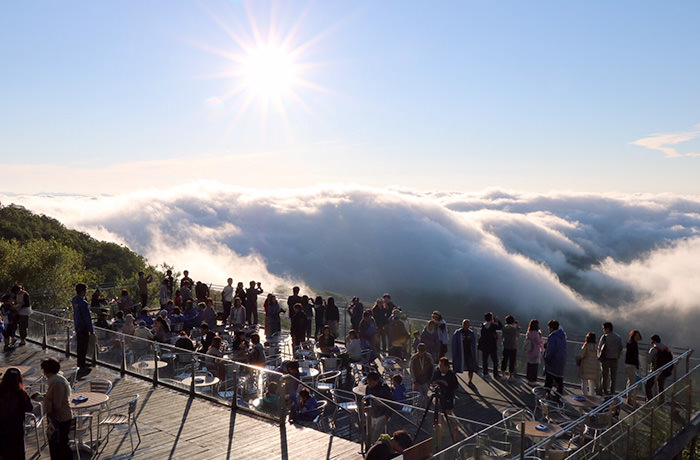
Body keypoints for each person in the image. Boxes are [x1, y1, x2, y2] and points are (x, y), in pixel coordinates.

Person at [38, 358, 73, 459]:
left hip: (61, 418)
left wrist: (43, 398)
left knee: (61, 445)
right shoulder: (55, 381)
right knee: (56, 444)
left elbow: (57, 404)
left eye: (44, 370)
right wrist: (44, 396)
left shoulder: (57, 384)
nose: (44, 373)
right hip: (57, 418)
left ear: (48, 371)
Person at [0, 367, 33, 460]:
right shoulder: (21, 393)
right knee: (17, 452)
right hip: (16, 428)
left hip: (2, 428)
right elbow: (29, 408)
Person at [431, 357, 459, 440]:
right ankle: (442, 431)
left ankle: (455, 429)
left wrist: (446, 385)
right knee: (440, 415)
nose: (440, 368)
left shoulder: (451, 375)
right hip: (439, 397)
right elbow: (433, 381)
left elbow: (455, 386)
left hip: (448, 398)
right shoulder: (437, 372)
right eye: (439, 365)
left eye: (442, 366)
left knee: (449, 415)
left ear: (447, 367)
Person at [364, 371, 393, 444]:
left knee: (376, 433)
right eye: (368, 382)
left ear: (376, 381)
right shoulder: (368, 388)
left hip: (382, 414)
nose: (369, 384)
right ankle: (369, 445)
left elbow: (390, 402)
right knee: (368, 431)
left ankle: (373, 445)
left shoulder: (384, 388)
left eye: (370, 382)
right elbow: (367, 401)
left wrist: (386, 415)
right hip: (372, 413)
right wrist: (366, 407)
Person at [72, 283, 94, 372]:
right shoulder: (83, 303)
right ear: (83, 291)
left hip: (78, 326)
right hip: (83, 327)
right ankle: (82, 364)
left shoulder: (75, 300)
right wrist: (91, 330)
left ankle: (80, 362)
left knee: (79, 346)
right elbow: (87, 317)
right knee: (84, 346)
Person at [598, 322, 623, 395]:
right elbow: (620, 348)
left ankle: (604, 391)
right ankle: (612, 391)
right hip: (614, 359)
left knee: (604, 376)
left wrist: (599, 356)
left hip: (605, 359)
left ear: (607, 328)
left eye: (604, 328)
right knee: (613, 376)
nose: (603, 330)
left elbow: (599, 347)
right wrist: (618, 357)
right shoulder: (618, 337)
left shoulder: (604, 337)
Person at [646, 334, 673, 401]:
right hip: (665, 370)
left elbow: (648, 361)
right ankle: (661, 401)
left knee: (648, 386)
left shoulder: (654, 349)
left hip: (655, 370)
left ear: (653, 341)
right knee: (661, 386)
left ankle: (650, 400)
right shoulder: (666, 348)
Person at [544, 320, 567, 396]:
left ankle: (547, 393)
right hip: (561, 360)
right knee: (559, 378)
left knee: (549, 378)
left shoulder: (552, 336)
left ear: (551, 328)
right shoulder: (563, 336)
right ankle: (559, 395)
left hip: (553, 360)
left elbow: (550, 349)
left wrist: (547, 358)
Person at [452, 319, 478, 385]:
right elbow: (454, 343)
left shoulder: (471, 333)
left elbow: (474, 343)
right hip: (460, 353)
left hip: (469, 353)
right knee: (456, 367)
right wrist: (455, 353)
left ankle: (470, 381)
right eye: (465, 324)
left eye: (467, 324)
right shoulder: (458, 333)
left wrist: (474, 354)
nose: (466, 326)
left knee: (471, 368)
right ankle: (453, 380)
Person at [478, 312, 503, 379]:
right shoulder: (492, 325)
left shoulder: (482, 325)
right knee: (495, 361)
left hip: (484, 345)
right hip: (492, 345)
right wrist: (498, 321)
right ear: (491, 318)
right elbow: (500, 327)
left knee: (485, 360)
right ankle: (495, 374)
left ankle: (485, 373)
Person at [500, 315, 521, 381]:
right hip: (513, 347)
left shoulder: (504, 328)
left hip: (505, 346)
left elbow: (503, 336)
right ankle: (511, 376)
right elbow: (517, 335)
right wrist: (518, 328)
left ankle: (503, 375)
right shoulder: (514, 329)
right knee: (512, 362)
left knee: (504, 360)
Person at [625, 329, 642, 405]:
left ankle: (629, 398)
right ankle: (630, 399)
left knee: (630, 382)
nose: (638, 337)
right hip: (631, 365)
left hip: (630, 364)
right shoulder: (633, 344)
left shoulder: (631, 343)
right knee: (632, 382)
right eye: (637, 335)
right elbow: (634, 356)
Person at [525, 319, 543, 385]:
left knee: (529, 366)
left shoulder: (528, 332)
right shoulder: (536, 334)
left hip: (529, 351)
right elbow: (539, 342)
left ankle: (529, 379)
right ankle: (533, 380)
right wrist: (541, 337)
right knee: (535, 367)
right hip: (535, 352)